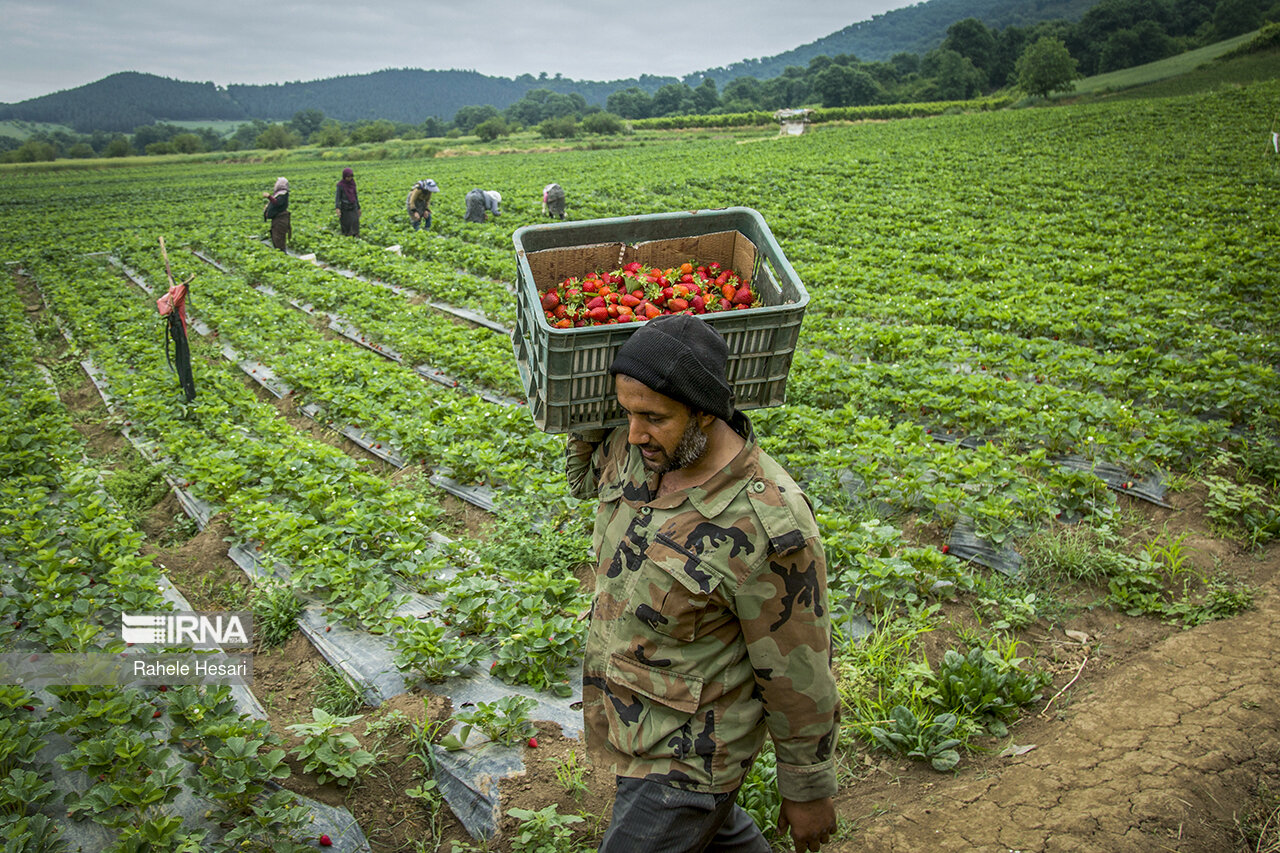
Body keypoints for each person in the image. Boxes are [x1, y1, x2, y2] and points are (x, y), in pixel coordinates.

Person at [565, 314, 839, 853]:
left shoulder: (766, 522)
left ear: (706, 414)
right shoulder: (635, 453)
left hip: (691, 755)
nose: (636, 430)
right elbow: (583, 476)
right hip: (632, 720)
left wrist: (806, 789)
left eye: (653, 417)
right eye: (626, 413)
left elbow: (796, 670)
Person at [262, 177, 290, 251]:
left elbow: (277, 203)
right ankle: (281, 255)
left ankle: (283, 257)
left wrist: (269, 197)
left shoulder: (283, 193)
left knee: (279, 241)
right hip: (277, 220)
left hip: (280, 221)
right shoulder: (279, 194)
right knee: (276, 240)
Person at [334, 167, 361, 236]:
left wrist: (358, 207)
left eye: (351, 177)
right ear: (344, 176)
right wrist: (337, 208)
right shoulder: (340, 185)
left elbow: (355, 195)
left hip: (353, 206)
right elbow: (338, 197)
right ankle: (348, 239)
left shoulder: (352, 183)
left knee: (355, 222)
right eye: (348, 177)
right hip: (345, 208)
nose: (349, 179)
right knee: (347, 224)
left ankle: (356, 237)